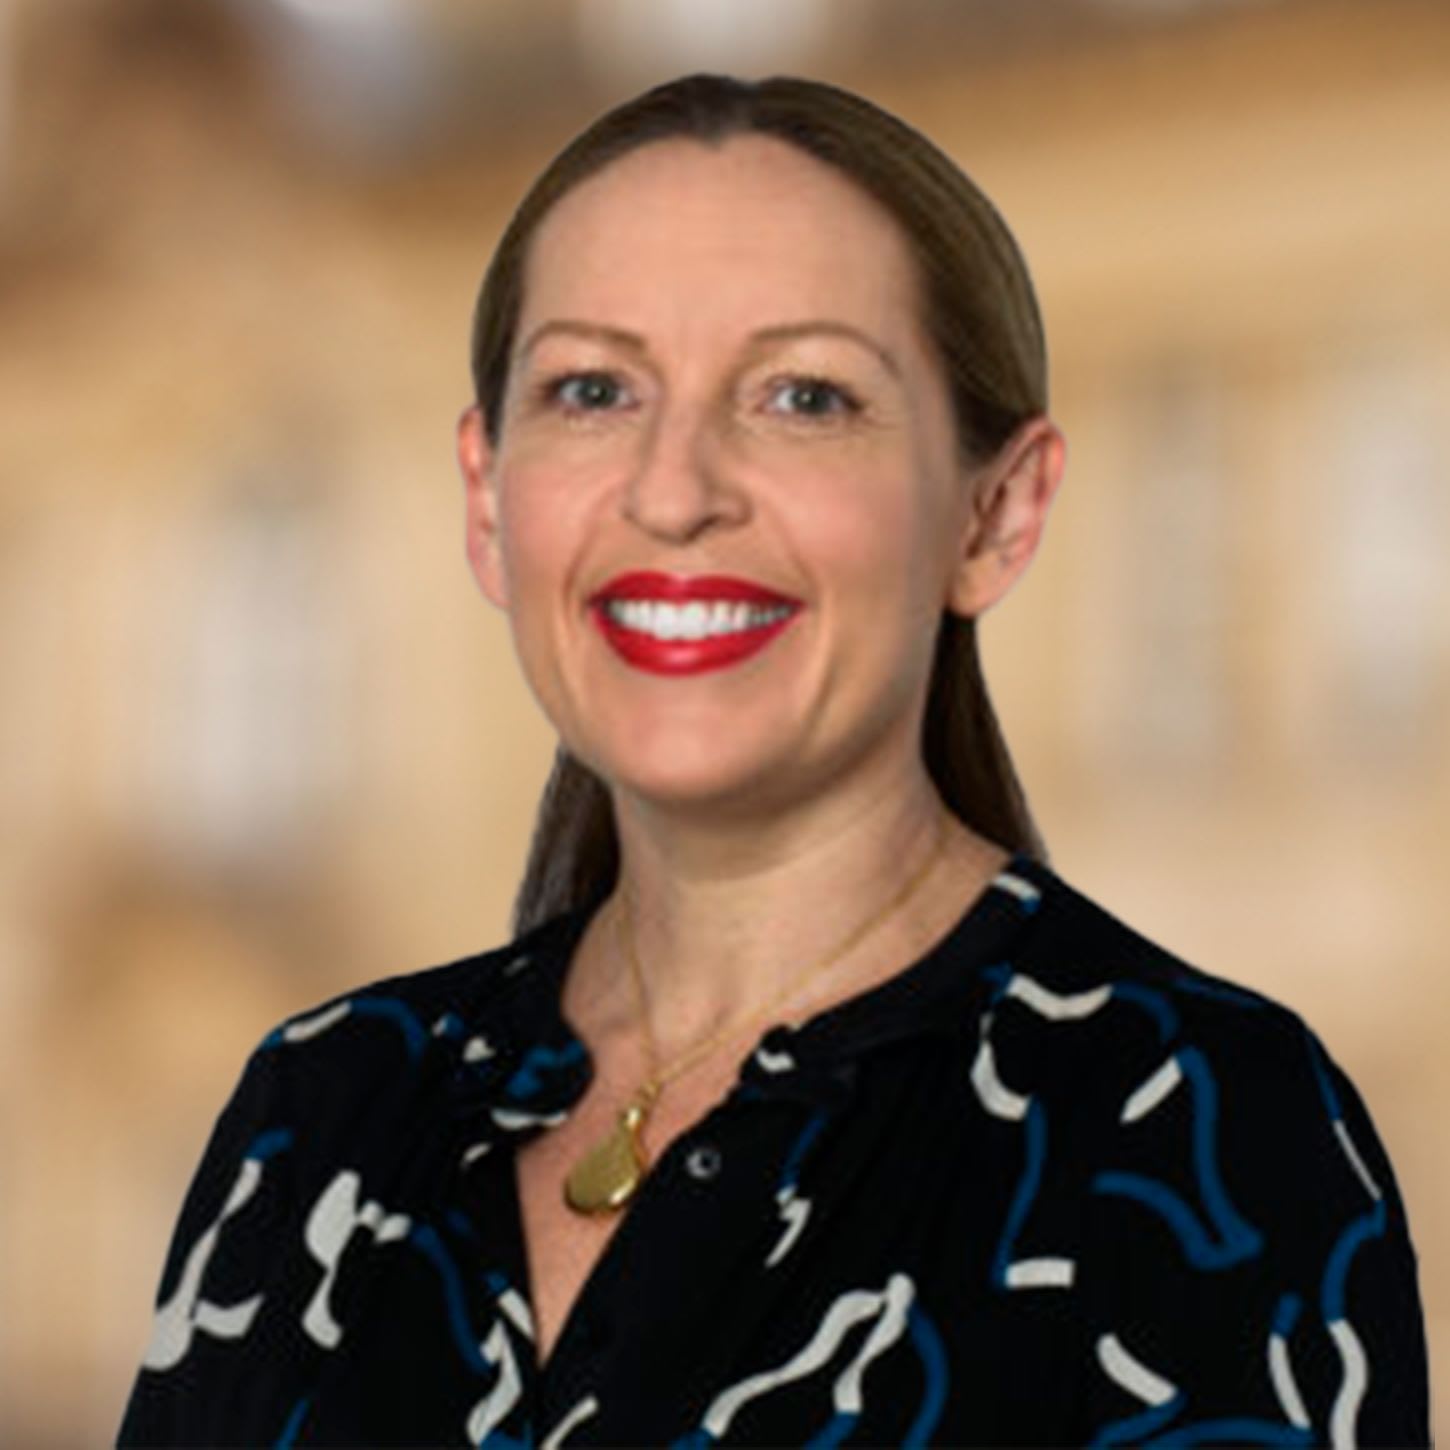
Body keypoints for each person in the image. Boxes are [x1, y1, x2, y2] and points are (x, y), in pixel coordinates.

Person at [118, 73, 1429, 1448]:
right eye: (592, 390)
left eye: (803, 396)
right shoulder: (323, 1108)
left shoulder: (1200, 1122)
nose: (675, 490)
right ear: (488, 502)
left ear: (995, 512)